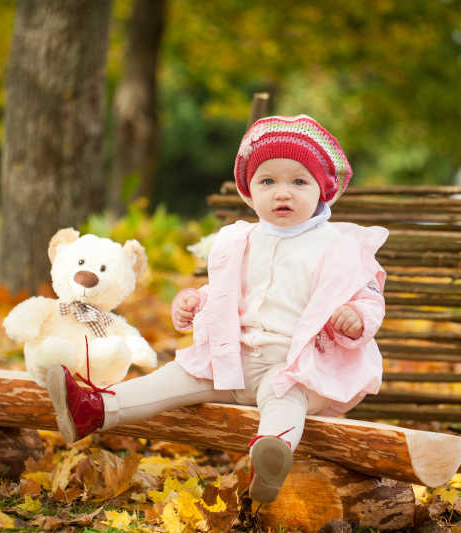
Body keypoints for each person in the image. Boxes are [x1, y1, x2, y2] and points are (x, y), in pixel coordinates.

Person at [46, 114, 388, 504]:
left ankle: (270, 454)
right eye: (268, 181)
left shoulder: (338, 245)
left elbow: (366, 295)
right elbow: (225, 293)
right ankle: (95, 409)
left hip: (295, 365)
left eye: (298, 181)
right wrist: (194, 303)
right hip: (233, 358)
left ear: (322, 190)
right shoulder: (241, 239)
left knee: (285, 399)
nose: (282, 193)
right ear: (249, 191)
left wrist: (357, 319)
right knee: (172, 378)